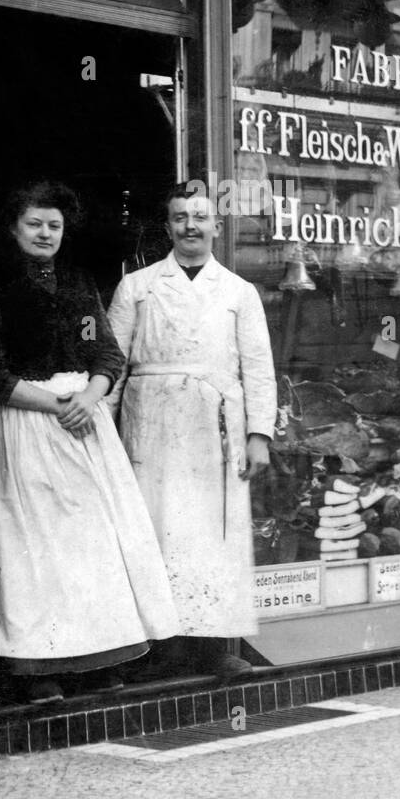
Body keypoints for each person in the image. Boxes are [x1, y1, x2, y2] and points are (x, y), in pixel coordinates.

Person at [0, 181, 179, 703]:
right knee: (39, 548)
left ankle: (98, 659)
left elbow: (108, 355)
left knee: (93, 547)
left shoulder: (77, 283)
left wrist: (89, 397)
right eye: (34, 224)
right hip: (28, 424)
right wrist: (57, 405)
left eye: (54, 225)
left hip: (85, 426)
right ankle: (40, 668)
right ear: (13, 228)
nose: (45, 233)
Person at [107, 182, 277, 683]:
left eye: (199, 217)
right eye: (180, 217)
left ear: (216, 226)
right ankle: (154, 651)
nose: (190, 226)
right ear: (167, 227)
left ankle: (211, 649)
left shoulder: (239, 292)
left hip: (214, 432)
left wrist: (259, 435)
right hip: (150, 426)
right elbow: (111, 365)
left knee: (211, 537)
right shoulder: (136, 287)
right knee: (153, 531)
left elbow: (258, 367)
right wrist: (104, 433)